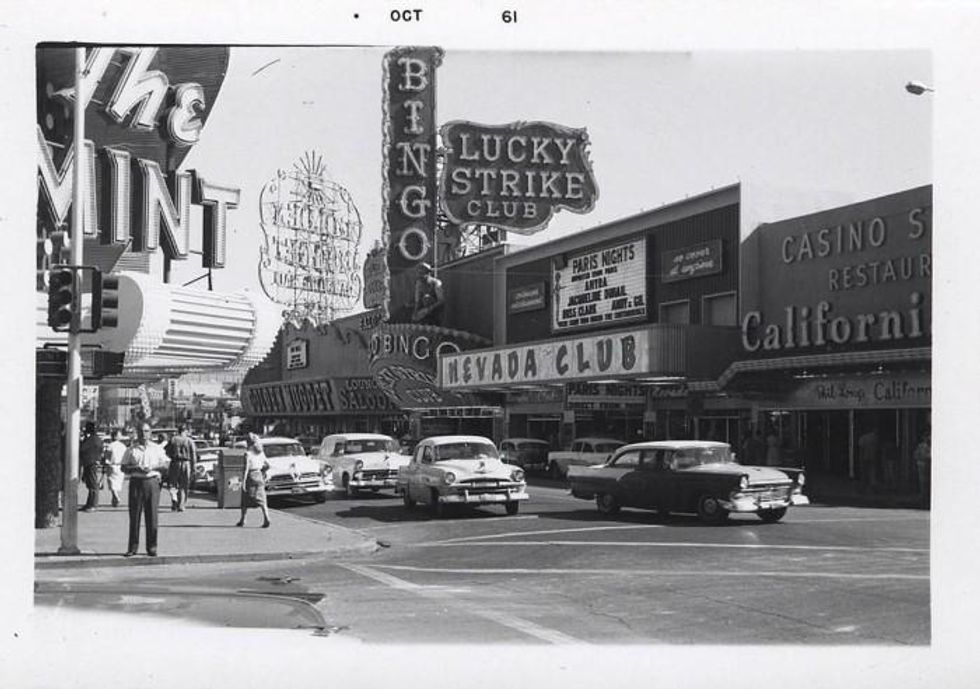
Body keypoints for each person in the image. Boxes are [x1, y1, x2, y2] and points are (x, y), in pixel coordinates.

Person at [120, 423, 169, 556]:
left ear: (150, 433)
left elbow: (165, 465)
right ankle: (132, 547)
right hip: (136, 482)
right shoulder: (131, 449)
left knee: (152, 516)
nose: (144, 434)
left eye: (146, 431)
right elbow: (123, 467)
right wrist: (136, 468)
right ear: (137, 433)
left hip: (152, 482)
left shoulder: (156, 448)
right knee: (134, 516)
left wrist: (154, 467)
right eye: (141, 432)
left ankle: (152, 547)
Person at [237, 433, 271, 528]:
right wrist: (263, 472)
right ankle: (266, 517)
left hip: (250, 477)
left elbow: (246, 469)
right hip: (259, 476)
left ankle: (243, 519)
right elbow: (268, 465)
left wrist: (243, 482)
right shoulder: (260, 453)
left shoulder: (247, 454)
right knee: (262, 499)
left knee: (245, 499)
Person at [166, 423, 197, 512]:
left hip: (175, 462)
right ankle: (181, 505)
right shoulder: (189, 441)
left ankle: (174, 500)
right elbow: (193, 455)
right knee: (184, 485)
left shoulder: (173, 439)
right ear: (185, 431)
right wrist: (193, 467)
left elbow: (167, 451)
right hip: (186, 463)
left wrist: (172, 456)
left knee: (173, 484)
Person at [79, 422, 103, 512]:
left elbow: (82, 448)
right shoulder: (96, 439)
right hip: (90, 462)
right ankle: (89, 503)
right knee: (90, 484)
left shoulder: (92, 440)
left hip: (91, 463)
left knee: (93, 484)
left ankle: (93, 504)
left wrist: (84, 438)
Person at [102, 428, 128, 508]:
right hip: (120, 466)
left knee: (111, 483)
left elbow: (107, 456)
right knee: (117, 483)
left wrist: (105, 463)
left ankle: (115, 496)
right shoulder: (123, 446)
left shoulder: (111, 446)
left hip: (112, 465)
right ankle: (114, 499)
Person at [857, 426, 880, 492]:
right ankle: (872, 487)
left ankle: (863, 487)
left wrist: (860, 458)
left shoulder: (863, 438)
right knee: (872, 472)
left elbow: (861, 449)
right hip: (872, 457)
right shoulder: (875, 438)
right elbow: (876, 449)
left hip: (865, 457)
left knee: (864, 473)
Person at [914, 430, 931, 507]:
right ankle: (923, 498)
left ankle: (925, 498)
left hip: (927, 465)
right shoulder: (921, 446)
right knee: (923, 483)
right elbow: (916, 455)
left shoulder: (930, 446)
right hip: (923, 465)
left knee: (927, 483)